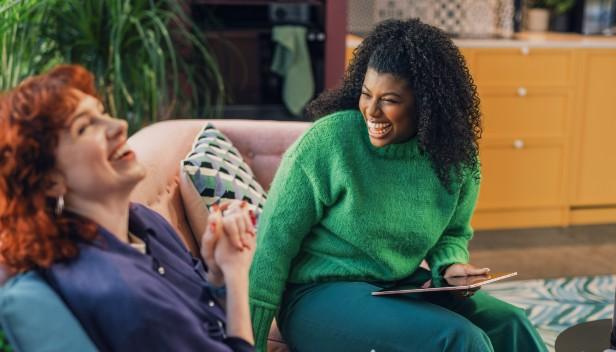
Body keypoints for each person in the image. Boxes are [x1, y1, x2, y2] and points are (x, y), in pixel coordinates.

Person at [249, 19, 546, 352]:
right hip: (316, 297)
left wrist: (451, 265)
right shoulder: (329, 142)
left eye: (389, 99)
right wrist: (248, 345)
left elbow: (453, 233)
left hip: (397, 288)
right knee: (462, 340)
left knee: (511, 323)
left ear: (426, 104)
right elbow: (272, 247)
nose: (371, 111)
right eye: (365, 94)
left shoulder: (454, 157)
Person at [0, 65, 257, 351]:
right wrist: (235, 275)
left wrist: (218, 272)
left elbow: (208, 311)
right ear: (49, 181)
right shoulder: (118, 291)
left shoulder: (144, 222)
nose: (118, 125)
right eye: (84, 127)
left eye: (103, 113)